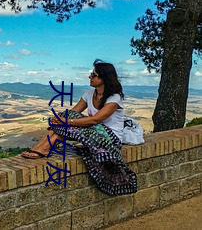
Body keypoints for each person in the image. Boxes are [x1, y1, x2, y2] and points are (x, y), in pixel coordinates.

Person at [21, 59, 137, 195]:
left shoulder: (114, 97)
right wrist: (60, 119)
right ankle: (42, 147)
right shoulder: (89, 94)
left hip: (110, 138)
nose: (90, 77)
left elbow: (96, 119)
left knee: (67, 121)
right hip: (93, 131)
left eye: (94, 75)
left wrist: (66, 121)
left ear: (104, 78)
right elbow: (74, 112)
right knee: (66, 116)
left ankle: (43, 148)